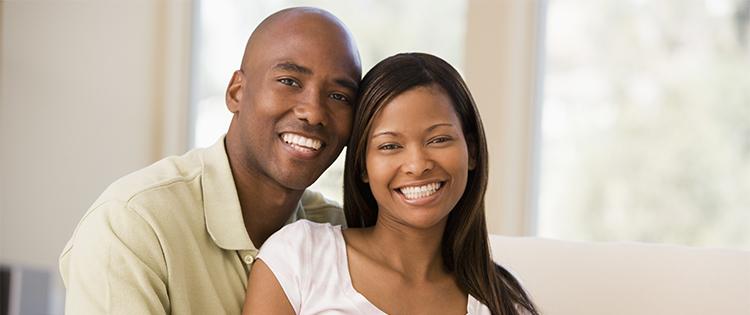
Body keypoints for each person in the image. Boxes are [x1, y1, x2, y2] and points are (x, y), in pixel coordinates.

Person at [59, 7, 362, 314]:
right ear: (236, 92)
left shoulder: (341, 235)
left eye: (339, 97)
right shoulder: (133, 224)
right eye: (289, 81)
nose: (313, 112)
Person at [243, 53, 539, 314]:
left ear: (471, 152)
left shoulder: (503, 302)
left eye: (438, 140)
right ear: (363, 166)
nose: (417, 164)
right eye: (390, 146)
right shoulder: (300, 255)